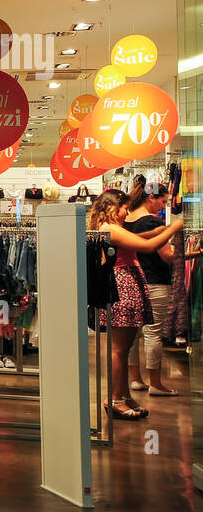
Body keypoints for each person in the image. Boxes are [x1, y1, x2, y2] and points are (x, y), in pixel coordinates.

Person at [87, 188, 183, 420]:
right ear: (111, 207)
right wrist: (173, 228)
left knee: (125, 347)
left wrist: (161, 230)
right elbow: (147, 247)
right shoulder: (108, 228)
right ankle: (115, 399)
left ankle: (123, 395)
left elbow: (140, 240)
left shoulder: (112, 228)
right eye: (123, 208)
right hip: (123, 285)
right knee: (119, 349)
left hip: (127, 283)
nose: (125, 212)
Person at [123, 180, 179, 397]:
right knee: (153, 332)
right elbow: (167, 256)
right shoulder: (151, 222)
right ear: (151, 198)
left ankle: (135, 379)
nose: (163, 207)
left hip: (134, 279)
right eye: (163, 201)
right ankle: (156, 383)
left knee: (133, 334)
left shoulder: (127, 219)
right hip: (155, 281)